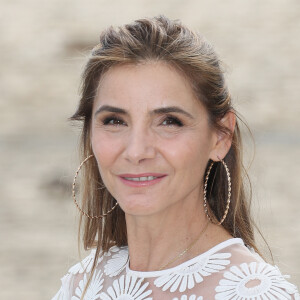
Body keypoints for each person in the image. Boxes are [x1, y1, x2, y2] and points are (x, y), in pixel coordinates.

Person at [52, 16, 299, 300]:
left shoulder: (255, 293)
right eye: (115, 121)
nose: (136, 151)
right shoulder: (80, 285)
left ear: (220, 137)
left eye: (169, 121)